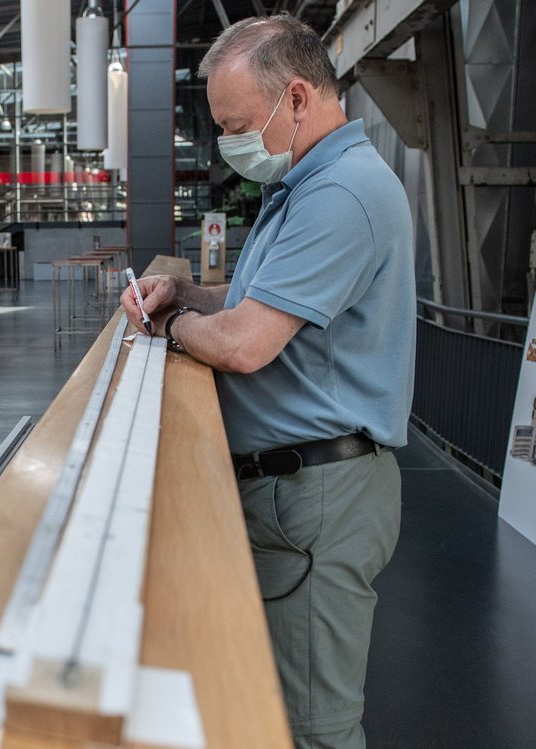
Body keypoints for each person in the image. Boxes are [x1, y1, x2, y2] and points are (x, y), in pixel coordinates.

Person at [120, 14, 415, 749]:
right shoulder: (304, 182)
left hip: (317, 494)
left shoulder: (339, 194)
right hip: (292, 486)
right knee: (268, 699)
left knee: (312, 724)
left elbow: (248, 344)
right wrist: (184, 297)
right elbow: (259, 304)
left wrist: (165, 329)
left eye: (238, 123)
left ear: (297, 98)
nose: (229, 144)